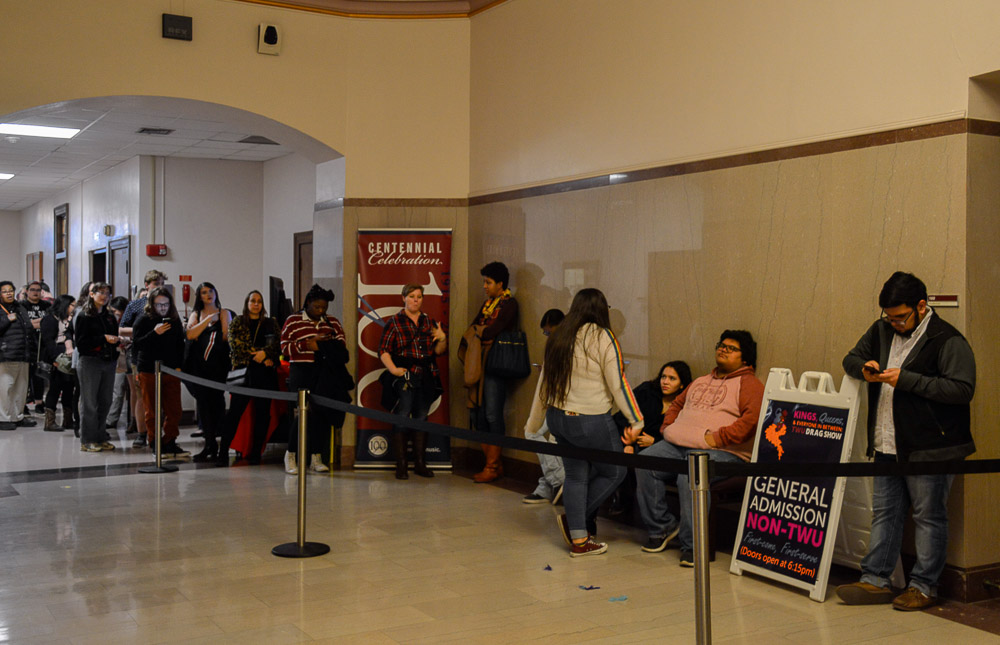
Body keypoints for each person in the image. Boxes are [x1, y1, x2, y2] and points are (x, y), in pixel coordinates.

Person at [836, 272, 975, 611]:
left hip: (931, 446)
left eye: (900, 317)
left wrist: (908, 380)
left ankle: (924, 586)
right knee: (885, 512)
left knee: (929, 516)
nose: (894, 323)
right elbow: (850, 358)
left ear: (921, 306)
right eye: (889, 316)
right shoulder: (881, 330)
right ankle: (875, 580)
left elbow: (961, 389)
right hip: (887, 442)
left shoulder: (947, 339)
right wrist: (863, 367)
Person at [523, 288, 643, 557]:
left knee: (576, 476)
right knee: (615, 471)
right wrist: (636, 420)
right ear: (602, 310)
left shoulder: (559, 337)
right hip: (590, 419)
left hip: (557, 418)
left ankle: (579, 539)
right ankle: (574, 521)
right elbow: (618, 383)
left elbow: (544, 384)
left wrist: (534, 423)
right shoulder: (603, 336)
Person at [635, 330, 763, 566]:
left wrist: (718, 438)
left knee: (691, 474)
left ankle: (692, 546)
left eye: (731, 348)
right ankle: (662, 528)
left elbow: (751, 420)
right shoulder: (701, 380)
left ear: (745, 359)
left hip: (725, 453)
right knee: (646, 461)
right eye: (721, 345)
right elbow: (676, 404)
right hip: (678, 444)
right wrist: (667, 427)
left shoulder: (750, 384)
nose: (722, 349)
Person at [280, 284, 352, 474]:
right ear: (308, 303)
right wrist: (307, 345)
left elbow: (342, 347)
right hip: (301, 370)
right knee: (302, 414)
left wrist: (320, 347)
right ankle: (291, 455)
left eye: (324, 308)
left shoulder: (333, 322)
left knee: (321, 414)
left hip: (324, 372)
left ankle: (316, 456)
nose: (320, 311)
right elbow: (284, 348)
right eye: (317, 307)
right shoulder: (293, 320)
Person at [378, 283, 448, 479]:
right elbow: (383, 350)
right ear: (403, 298)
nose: (415, 300)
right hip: (405, 374)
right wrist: (393, 370)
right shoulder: (394, 322)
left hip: (426, 373)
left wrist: (442, 339)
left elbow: (438, 352)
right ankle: (401, 464)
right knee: (402, 413)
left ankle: (419, 462)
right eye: (411, 296)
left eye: (419, 296)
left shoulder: (428, 322)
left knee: (422, 416)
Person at [607, 360, 693, 517]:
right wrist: (629, 443)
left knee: (644, 458)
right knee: (619, 454)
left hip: (657, 447)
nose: (665, 382)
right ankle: (621, 499)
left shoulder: (684, 405)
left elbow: (680, 434)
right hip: (626, 435)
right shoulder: (647, 391)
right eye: (663, 377)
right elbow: (624, 416)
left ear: (682, 385)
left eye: (672, 379)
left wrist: (655, 441)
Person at [462, 261, 519, 483]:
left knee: (493, 413)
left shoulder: (509, 304)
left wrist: (480, 331)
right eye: (484, 282)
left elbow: (491, 331)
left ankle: (492, 465)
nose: (484, 286)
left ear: (500, 284)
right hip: (481, 364)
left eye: (488, 282)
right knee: (478, 412)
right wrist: (480, 331)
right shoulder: (488, 303)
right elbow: (474, 328)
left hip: (496, 365)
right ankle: (494, 465)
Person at [218, 290, 281, 466]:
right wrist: (260, 356)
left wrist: (267, 354)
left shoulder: (271, 323)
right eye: (253, 301)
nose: (256, 304)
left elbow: (278, 345)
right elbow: (236, 346)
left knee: (263, 415)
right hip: (243, 372)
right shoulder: (238, 322)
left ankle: (255, 453)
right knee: (234, 414)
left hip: (264, 375)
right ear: (247, 303)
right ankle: (222, 453)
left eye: (259, 301)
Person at [132, 286, 189, 458]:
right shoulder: (143, 319)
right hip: (149, 369)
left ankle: (170, 440)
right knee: (152, 409)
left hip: (170, 369)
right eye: (158, 304)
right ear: (152, 304)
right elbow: (137, 344)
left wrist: (179, 366)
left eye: (165, 304)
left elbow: (180, 344)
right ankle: (154, 442)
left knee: (174, 410)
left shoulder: (173, 319)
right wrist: (154, 333)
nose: (162, 307)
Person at [522, 308, 567, 504]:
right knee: (534, 433)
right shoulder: (556, 345)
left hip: (565, 406)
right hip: (551, 402)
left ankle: (556, 481)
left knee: (539, 436)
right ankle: (552, 483)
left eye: (549, 332)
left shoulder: (569, 345)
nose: (548, 336)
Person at [186, 281, 232, 462]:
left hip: (218, 367)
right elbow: (190, 334)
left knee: (217, 404)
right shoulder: (196, 314)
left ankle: (220, 447)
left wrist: (212, 321)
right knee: (203, 405)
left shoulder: (224, 313)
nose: (208, 295)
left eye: (211, 291)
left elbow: (226, 336)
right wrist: (206, 321)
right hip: (200, 368)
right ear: (199, 296)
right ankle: (209, 443)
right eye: (204, 292)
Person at [74, 282, 121, 452]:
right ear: (91, 294)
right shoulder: (84, 316)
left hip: (108, 361)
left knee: (105, 400)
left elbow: (114, 335)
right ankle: (87, 439)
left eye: (107, 293)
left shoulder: (109, 316)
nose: (104, 296)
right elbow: (81, 343)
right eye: (100, 292)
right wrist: (103, 339)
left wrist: (118, 342)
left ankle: (101, 436)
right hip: (90, 362)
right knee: (89, 403)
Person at [119, 270, 165, 448]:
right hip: (139, 353)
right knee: (141, 394)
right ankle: (141, 432)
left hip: (161, 355)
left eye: (160, 284)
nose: (158, 287)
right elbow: (122, 329)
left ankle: (156, 432)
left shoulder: (166, 305)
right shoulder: (136, 305)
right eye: (155, 284)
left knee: (159, 394)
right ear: (147, 285)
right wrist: (144, 331)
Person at [0, 281, 38, 430]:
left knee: (21, 388)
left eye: (11, 290)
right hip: (6, 354)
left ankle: (17, 416)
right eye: (4, 291)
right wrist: (6, 320)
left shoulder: (19, 307)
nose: (8, 293)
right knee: (5, 388)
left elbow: (28, 328)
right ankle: (4, 418)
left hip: (24, 354)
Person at [39, 294, 77, 432]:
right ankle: (50, 422)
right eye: (72, 305)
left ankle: (68, 420)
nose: (74, 307)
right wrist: (55, 359)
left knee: (69, 388)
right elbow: (48, 342)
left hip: (69, 357)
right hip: (57, 358)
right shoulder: (49, 319)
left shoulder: (70, 319)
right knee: (55, 389)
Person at [19, 281, 50, 414]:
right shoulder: (21, 306)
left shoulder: (47, 306)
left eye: (38, 290)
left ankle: (39, 402)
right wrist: (35, 323)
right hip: (27, 344)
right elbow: (25, 324)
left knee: (40, 375)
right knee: (26, 375)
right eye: (32, 289)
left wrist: (36, 324)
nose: (35, 292)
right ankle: (23, 403)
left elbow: (49, 322)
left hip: (43, 344)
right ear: (27, 291)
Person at [104, 296, 131, 431]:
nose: (115, 314)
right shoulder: (108, 319)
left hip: (127, 355)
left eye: (117, 311)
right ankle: (110, 418)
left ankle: (114, 419)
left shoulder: (129, 319)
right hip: (116, 356)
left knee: (120, 389)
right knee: (115, 389)